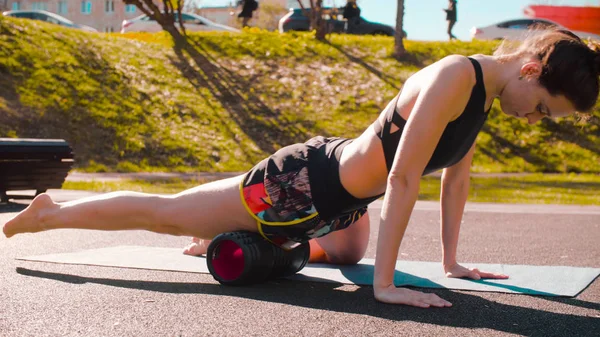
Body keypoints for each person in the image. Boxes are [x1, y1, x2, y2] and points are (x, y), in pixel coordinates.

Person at [4, 28, 599, 308]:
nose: (535, 120)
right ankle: (51, 213)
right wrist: (387, 289)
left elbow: (457, 176)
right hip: (300, 182)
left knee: (346, 256)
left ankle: (229, 233)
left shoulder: (482, 99)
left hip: (339, 204)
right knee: (163, 213)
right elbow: (401, 178)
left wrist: (449, 262)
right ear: (530, 70)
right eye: (545, 109)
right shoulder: (454, 77)